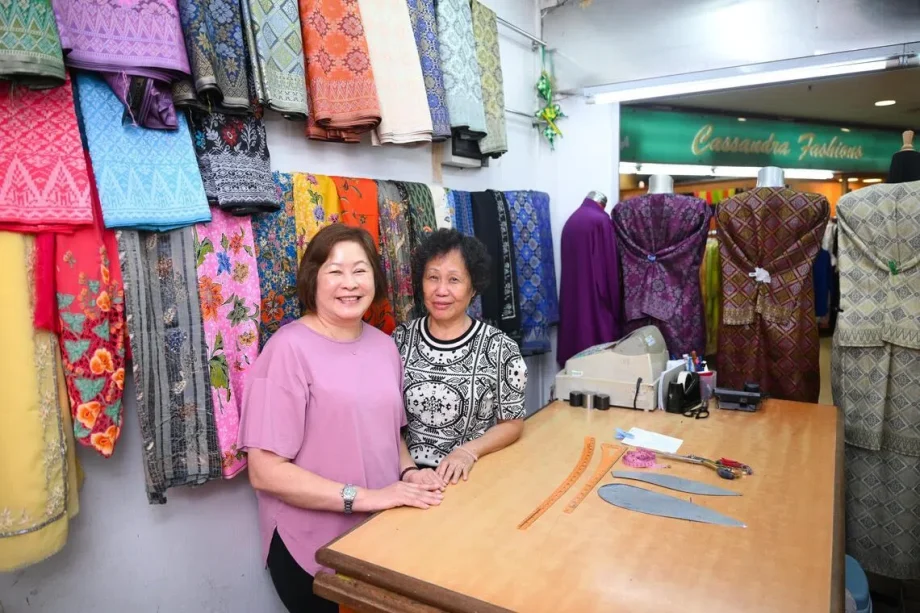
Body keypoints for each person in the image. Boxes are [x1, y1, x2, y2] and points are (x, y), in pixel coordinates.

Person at [238, 224, 446, 613]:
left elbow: (390, 433)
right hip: (312, 548)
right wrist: (368, 498)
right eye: (335, 271)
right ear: (312, 279)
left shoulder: (384, 346)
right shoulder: (287, 350)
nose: (348, 283)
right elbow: (265, 472)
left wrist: (408, 474)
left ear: (375, 278)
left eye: (360, 270)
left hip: (378, 536)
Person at [392, 229, 527, 485]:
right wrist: (409, 471)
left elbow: (512, 424)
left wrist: (467, 452)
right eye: (433, 277)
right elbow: (388, 421)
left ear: (473, 287)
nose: (441, 290)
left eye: (454, 280)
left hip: (468, 478)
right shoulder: (399, 339)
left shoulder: (500, 348)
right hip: (407, 477)